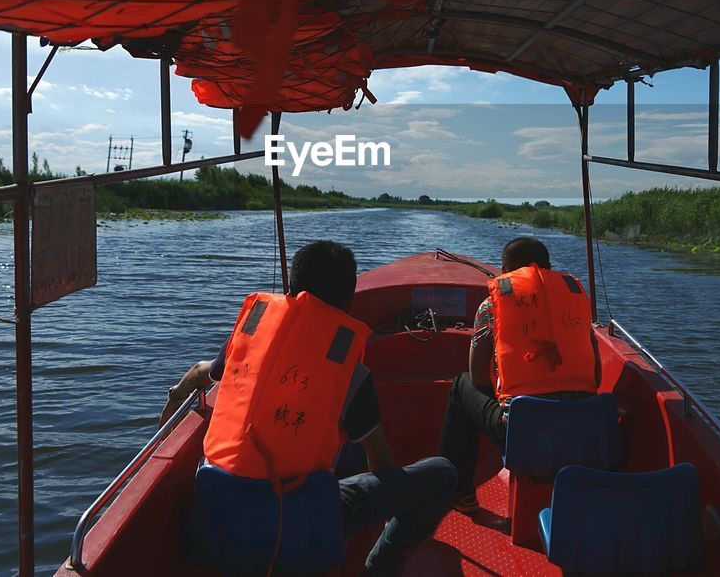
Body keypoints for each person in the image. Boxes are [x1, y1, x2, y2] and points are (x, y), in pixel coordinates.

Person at [161, 240, 456, 576]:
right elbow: (381, 463)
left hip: (222, 520)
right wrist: (389, 506)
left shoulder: (249, 336)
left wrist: (174, 396)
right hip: (298, 526)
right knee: (441, 472)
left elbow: (202, 373)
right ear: (349, 301)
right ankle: (379, 565)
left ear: (291, 288)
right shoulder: (351, 372)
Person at [436, 236, 600, 512]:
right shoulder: (577, 299)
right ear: (549, 268)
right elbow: (595, 375)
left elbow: (477, 377)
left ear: (505, 271)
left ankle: (458, 492)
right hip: (584, 426)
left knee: (461, 384)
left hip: (523, 431)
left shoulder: (492, 306)